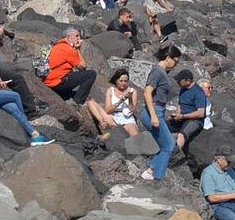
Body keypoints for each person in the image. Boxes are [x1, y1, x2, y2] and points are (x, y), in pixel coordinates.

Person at [137, 44, 181, 182]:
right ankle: (155, 176)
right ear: (168, 58)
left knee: (167, 146)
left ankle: (152, 173)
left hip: (159, 110)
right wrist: (154, 116)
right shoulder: (157, 71)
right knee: (169, 146)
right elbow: (147, 92)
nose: (176, 64)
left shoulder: (162, 72)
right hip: (153, 112)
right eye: (175, 61)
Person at [44, 27, 97, 106]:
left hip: (48, 80)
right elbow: (82, 67)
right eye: (77, 36)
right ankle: (78, 101)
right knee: (91, 74)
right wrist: (78, 49)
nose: (79, 38)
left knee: (71, 72)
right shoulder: (67, 48)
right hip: (57, 82)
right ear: (69, 37)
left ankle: (65, 96)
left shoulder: (57, 46)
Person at [90, 67, 140, 139]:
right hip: (113, 117)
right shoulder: (110, 90)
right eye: (121, 81)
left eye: (125, 81)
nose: (123, 83)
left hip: (127, 118)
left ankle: (111, 134)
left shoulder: (132, 91)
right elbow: (107, 110)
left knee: (135, 136)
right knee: (91, 103)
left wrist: (130, 99)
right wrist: (120, 101)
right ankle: (103, 124)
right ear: (116, 80)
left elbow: (132, 110)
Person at [173, 69, 211, 147]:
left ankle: (173, 154)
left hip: (195, 120)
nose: (178, 82)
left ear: (188, 81)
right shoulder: (183, 89)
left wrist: (183, 116)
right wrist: (177, 114)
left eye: (180, 80)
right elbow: (180, 104)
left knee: (181, 135)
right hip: (182, 118)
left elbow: (201, 113)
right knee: (164, 126)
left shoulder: (198, 92)